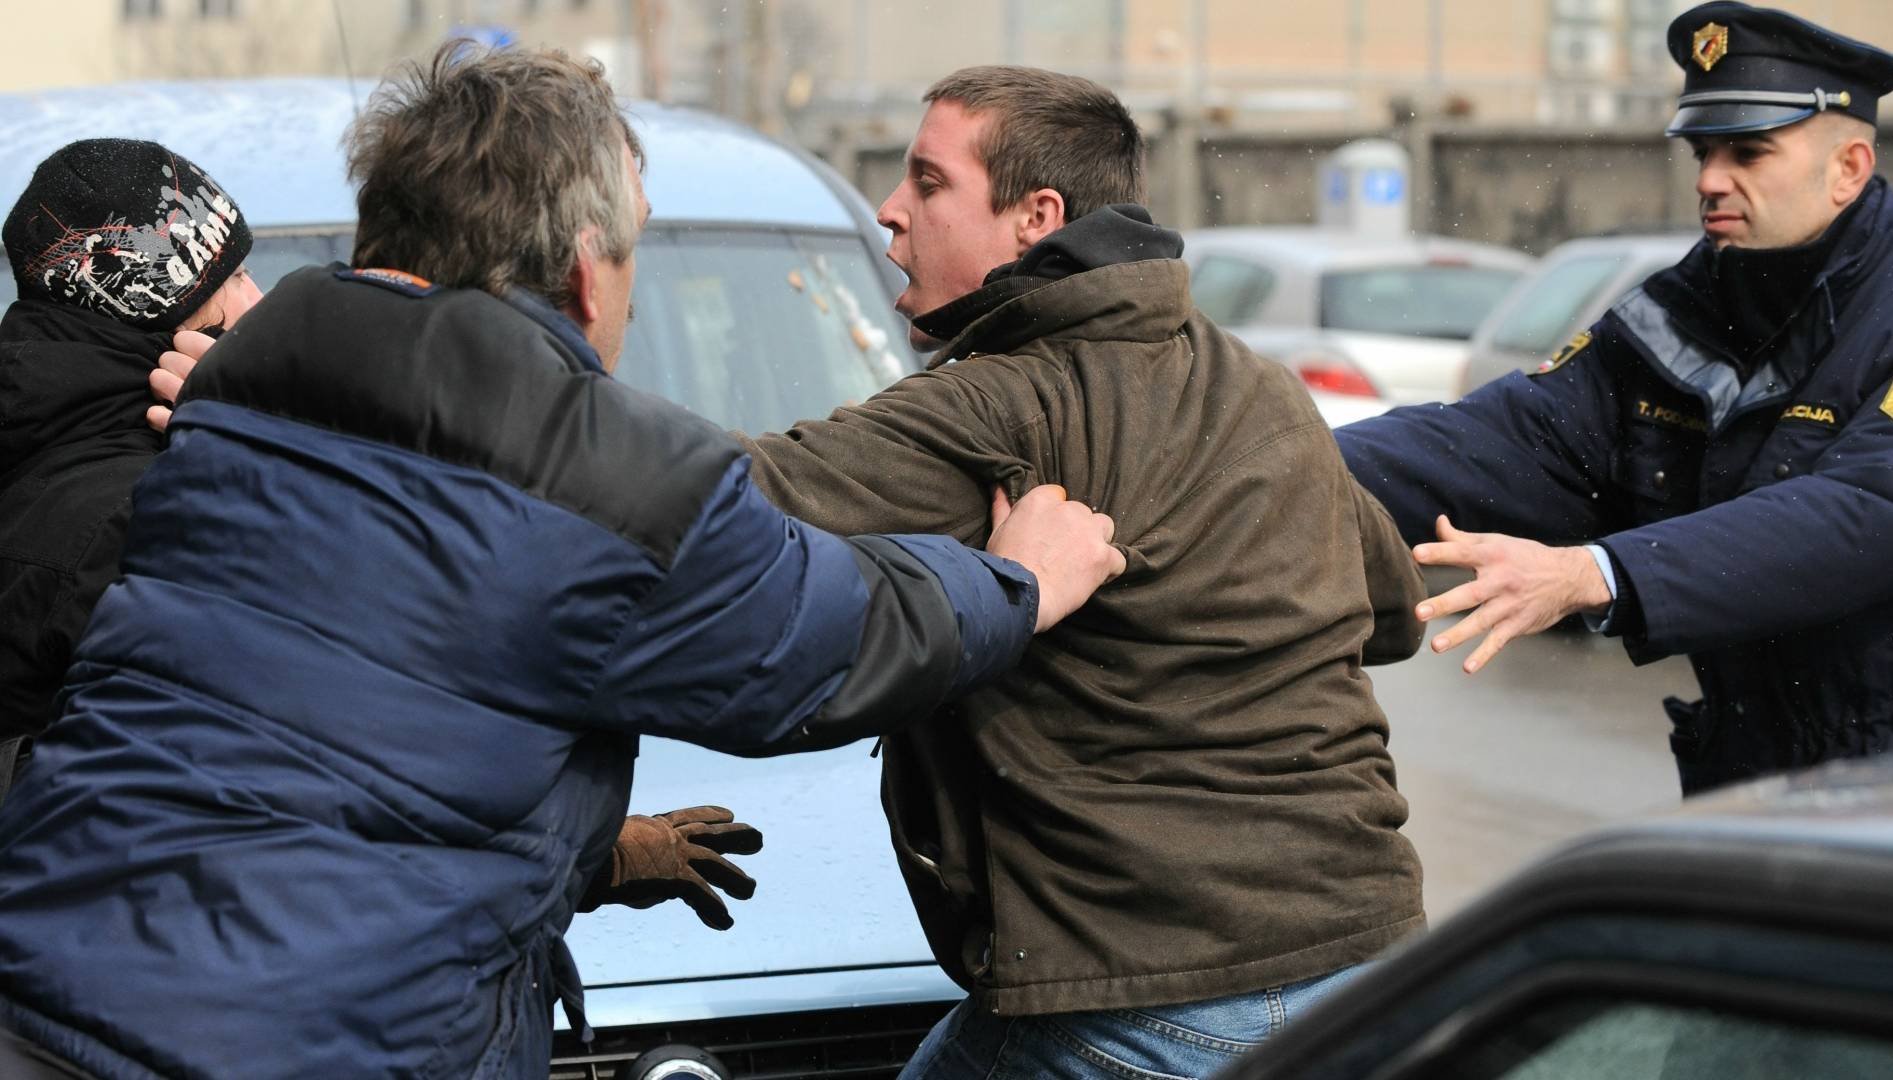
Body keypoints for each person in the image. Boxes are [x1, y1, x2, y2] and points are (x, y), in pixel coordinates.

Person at [0, 45, 1122, 1080]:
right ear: (589, 273)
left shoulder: (234, 395)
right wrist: (1013, 583)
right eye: (633, 244)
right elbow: (828, 639)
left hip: (41, 996)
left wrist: (594, 856)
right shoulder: (607, 474)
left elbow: (342, 754)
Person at [737, 67, 1428, 1078]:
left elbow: (707, 506)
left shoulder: (995, 409)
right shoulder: (1260, 391)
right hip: (1369, 965)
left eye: (928, 182)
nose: (890, 210)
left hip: (1146, 1001)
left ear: (1037, 219)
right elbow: (1391, 613)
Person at [1336, 1, 1893, 796]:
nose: (1710, 180)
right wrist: (1260, 463)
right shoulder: (1675, 322)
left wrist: (1597, 574)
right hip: (1751, 775)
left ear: (1849, 168)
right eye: (1704, 152)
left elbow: (1867, 512)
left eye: (1749, 152)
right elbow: (1492, 442)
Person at [0, 139, 261, 808]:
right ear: (158, 309)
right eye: (233, 277)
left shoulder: (50, 442)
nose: (256, 300)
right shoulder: (145, 516)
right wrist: (272, 460)